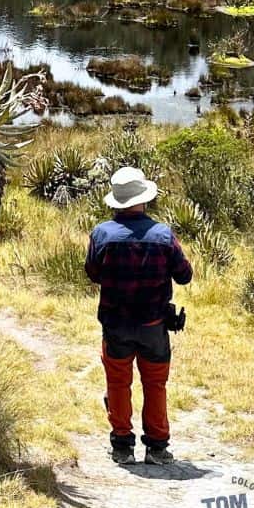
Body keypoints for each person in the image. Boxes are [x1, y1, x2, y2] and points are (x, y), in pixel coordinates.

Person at [85, 167, 193, 466]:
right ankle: (157, 447)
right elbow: (184, 276)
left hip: (116, 325)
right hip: (154, 325)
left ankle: (122, 446)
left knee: (118, 383)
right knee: (155, 384)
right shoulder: (162, 235)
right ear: (144, 198)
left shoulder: (102, 233)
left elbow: (93, 273)